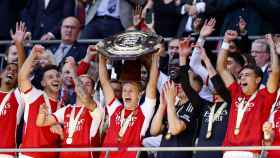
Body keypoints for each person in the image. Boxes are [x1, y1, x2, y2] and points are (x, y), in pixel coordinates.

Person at [217, 31, 280, 158]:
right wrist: (226, 42)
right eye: (240, 76)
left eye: (247, 75)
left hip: (250, 152)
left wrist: (272, 48)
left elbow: (275, 72)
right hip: (228, 152)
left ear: (257, 79)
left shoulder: (265, 96)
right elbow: (221, 68)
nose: (242, 79)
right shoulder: (236, 92)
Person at [98, 47, 159, 158]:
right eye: (125, 91)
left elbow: (152, 84)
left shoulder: (144, 111)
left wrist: (155, 59)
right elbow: (105, 83)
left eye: (131, 91)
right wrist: (101, 59)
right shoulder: (115, 108)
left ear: (140, 94)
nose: (127, 94)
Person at [36, 59, 103, 158]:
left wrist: (74, 74)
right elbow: (41, 123)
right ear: (75, 88)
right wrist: (41, 113)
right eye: (80, 83)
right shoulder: (67, 109)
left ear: (93, 92)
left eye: (87, 84)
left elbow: (84, 97)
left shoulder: (96, 108)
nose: (82, 86)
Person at [18, 45, 63, 158]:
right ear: (43, 83)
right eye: (50, 77)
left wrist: (61, 133)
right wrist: (32, 54)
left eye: (57, 76)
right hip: (30, 155)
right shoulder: (35, 95)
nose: (55, 79)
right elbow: (22, 78)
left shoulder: (62, 104)